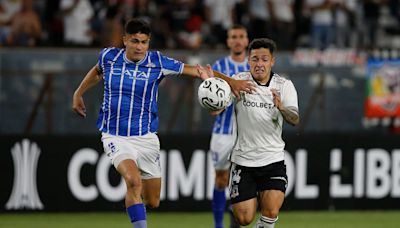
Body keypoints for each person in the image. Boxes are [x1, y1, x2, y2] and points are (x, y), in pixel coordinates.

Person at [72, 18, 254, 228]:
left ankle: (136, 201)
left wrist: (231, 82)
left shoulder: (157, 62)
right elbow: (97, 71)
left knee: (153, 201)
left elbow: (196, 70)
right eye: (135, 41)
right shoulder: (109, 56)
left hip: (146, 137)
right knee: (133, 181)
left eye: (144, 42)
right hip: (115, 136)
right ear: (125, 40)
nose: (139, 47)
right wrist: (78, 93)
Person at [201, 38, 299, 228]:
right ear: (248, 60)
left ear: (272, 61)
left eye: (264, 59)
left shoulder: (284, 85)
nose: (259, 64)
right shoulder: (239, 81)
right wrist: (211, 94)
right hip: (243, 161)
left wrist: (282, 108)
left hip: (272, 160)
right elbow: (216, 110)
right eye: (255, 59)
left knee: (271, 211)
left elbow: (294, 119)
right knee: (244, 219)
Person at [209, 24, 249, 228]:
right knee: (221, 180)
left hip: (247, 135)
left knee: (243, 180)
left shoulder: (254, 67)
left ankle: (236, 224)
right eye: (233, 36)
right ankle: (218, 225)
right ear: (228, 41)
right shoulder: (219, 67)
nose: (237, 40)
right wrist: (215, 106)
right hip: (222, 133)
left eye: (241, 36)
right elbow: (210, 104)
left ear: (247, 40)